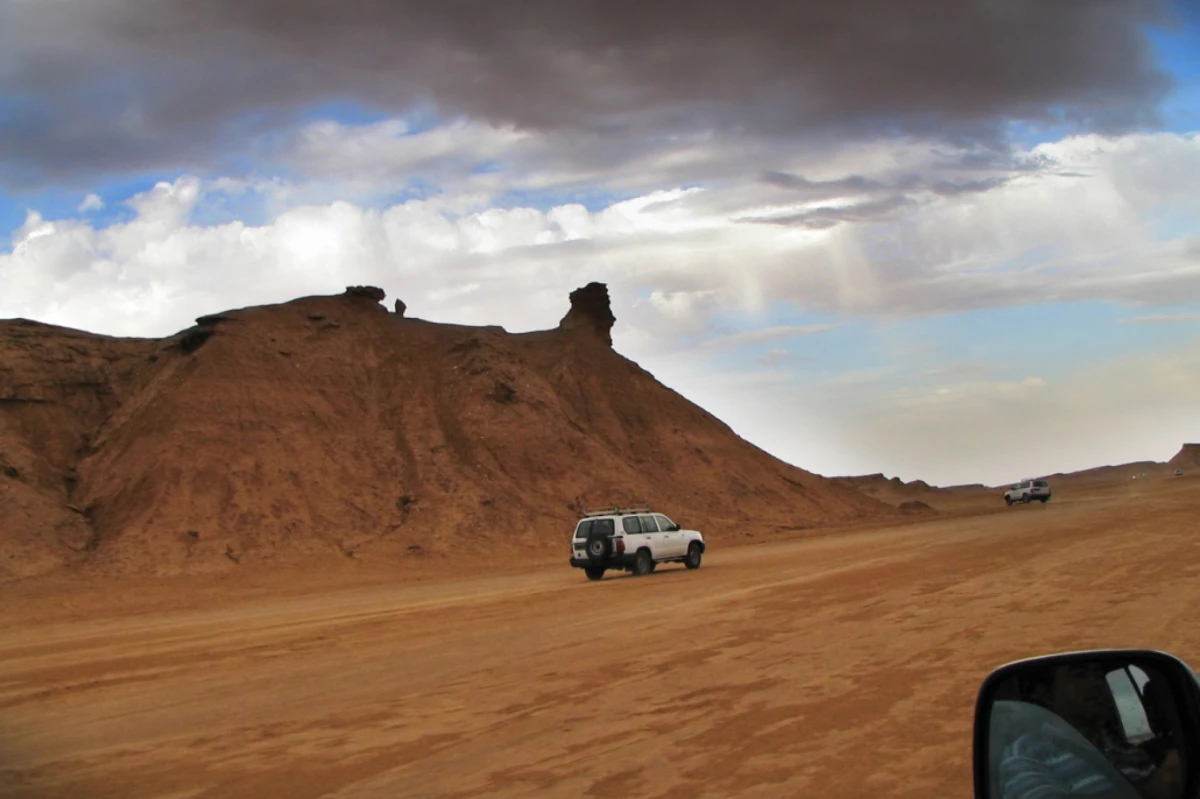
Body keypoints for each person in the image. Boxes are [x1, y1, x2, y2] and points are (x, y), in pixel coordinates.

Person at [997, 663, 1182, 799]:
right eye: (1080, 675)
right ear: (1045, 694)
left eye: (1099, 675)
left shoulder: (1126, 750)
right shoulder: (1024, 754)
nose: (1097, 683)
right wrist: (1151, 790)